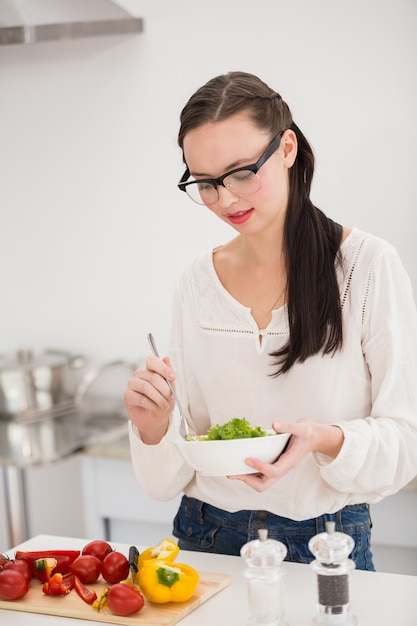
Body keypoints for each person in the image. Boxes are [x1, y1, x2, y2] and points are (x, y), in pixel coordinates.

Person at [124, 71, 417, 571]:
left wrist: (323, 439)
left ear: (286, 148)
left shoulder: (367, 266)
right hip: (204, 536)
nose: (226, 199)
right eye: (206, 183)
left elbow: (404, 442)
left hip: (326, 544)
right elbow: (166, 478)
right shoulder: (195, 282)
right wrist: (153, 428)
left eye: (241, 173)